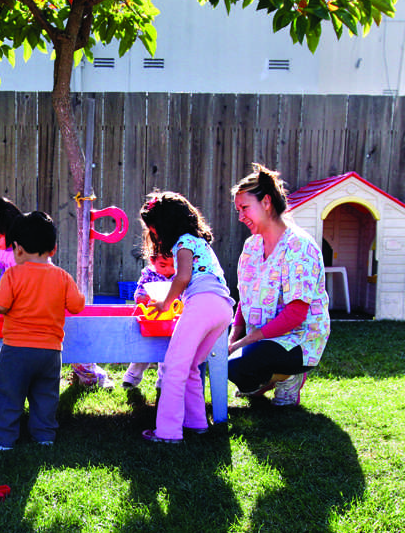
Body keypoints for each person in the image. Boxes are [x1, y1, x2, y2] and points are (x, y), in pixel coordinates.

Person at [228, 164, 330, 406]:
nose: (241, 216)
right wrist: (233, 338)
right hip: (260, 338)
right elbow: (245, 296)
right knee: (231, 365)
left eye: (244, 208)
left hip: (298, 339)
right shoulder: (251, 247)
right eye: (238, 210)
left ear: (266, 203)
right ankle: (263, 377)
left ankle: (289, 376)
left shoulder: (299, 246)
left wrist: (242, 343)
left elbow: (295, 314)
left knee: (237, 363)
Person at [138, 191, 234, 444]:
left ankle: (168, 432)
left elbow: (182, 278)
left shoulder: (183, 243)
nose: (154, 236)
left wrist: (164, 303)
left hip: (202, 304)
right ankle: (197, 423)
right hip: (223, 308)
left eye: (153, 230)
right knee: (192, 366)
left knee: (173, 366)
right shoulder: (201, 242)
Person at [0, 211, 86, 450]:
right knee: (46, 396)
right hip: (50, 352)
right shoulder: (62, 277)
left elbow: (0, 305)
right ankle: (44, 436)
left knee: (8, 394)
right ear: (53, 249)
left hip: (16, 350)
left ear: (17, 249)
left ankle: (2, 439)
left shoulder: (12, 275)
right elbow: (77, 305)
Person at [122, 253, 176, 390]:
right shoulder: (149, 275)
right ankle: (131, 378)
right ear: (152, 261)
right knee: (144, 350)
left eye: (173, 265)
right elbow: (139, 294)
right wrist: (144, 298)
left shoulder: (179, 276)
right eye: (163, 265)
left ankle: (163, 383)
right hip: (150, 319)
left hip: (171, 320)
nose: (168, 270)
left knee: (167, 352)